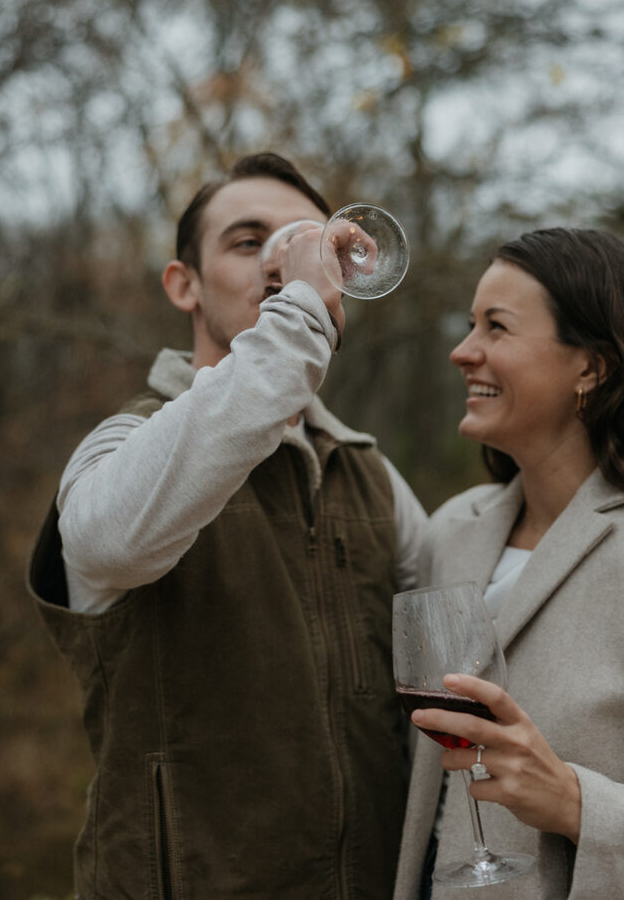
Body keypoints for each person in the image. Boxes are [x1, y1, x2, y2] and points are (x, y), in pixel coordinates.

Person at [28, 152, 426, 900]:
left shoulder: (371, 474)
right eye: (248, 242)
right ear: (184, 284)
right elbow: (111, 541)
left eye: (308, 240)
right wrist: (299, 311)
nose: (283, 261)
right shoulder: (119, 445)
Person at [393, 227, 624, 900]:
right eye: (468, 325)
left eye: (496, 327)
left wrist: (577, 803)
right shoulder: (450, 530)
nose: (463, 351)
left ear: (591, 366)